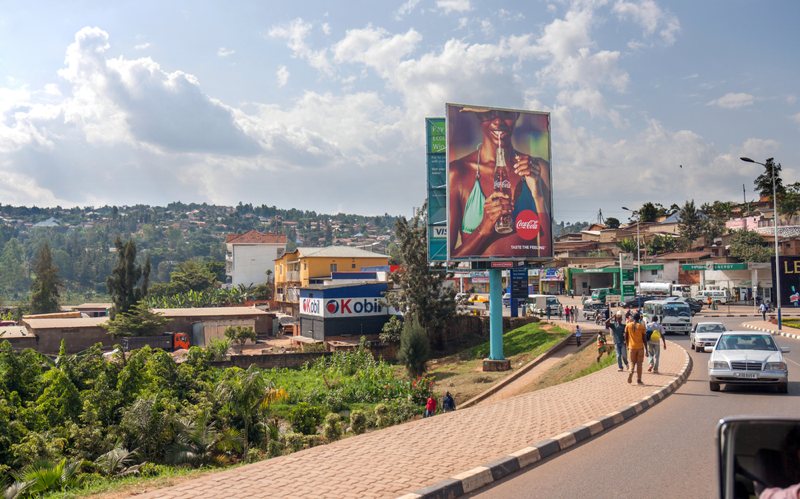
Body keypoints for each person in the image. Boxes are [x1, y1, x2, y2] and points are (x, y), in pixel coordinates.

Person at [448, 107, 552, 259]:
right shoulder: (458, 173)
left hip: (524, 277)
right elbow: (447, 261)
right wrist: (483, 230)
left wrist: (538, 196)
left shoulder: (538, 169)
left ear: (516, 114)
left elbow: (545, 255)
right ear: (478, 116)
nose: (498, 121)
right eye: (489, 114)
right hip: (477, 281)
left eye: (506, 113)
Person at [625, 312, 648, 384]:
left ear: (633, 318)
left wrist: (627, 346)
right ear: (639, 319)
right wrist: (646, 349)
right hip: (640, 348)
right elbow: (644, 339)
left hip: (631, 347)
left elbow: (626, 336)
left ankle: (631, 372)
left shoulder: (628, 325)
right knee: (639, 364)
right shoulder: (641, 327)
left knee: (632, 363)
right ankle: (639, 379)